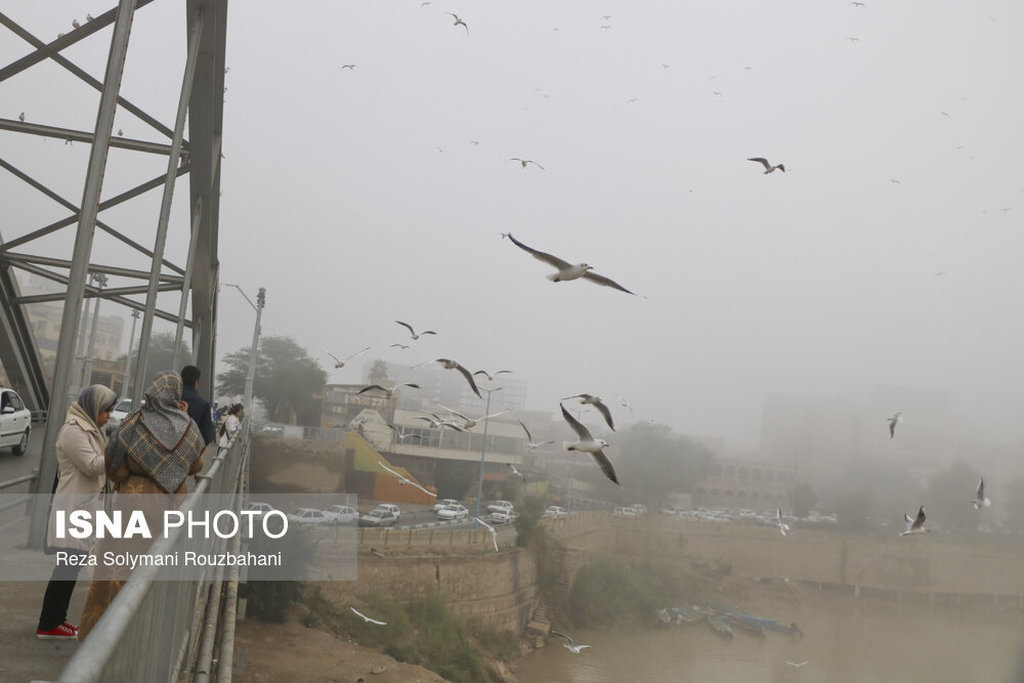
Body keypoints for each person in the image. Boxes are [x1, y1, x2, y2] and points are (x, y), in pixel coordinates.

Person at [77, 371, 205, 641]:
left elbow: (115, 468)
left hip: (132, 505)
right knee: (157, 574)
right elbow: (196, 466)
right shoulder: (188, 426)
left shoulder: (135, 422)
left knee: (117, 569)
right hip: (170, 506)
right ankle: (145, 638)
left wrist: (138, 472)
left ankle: (103, 637)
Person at [36, 384, 118, 640]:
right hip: (73, 508)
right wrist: (117, 452)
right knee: (66, 568)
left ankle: (57, 620)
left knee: (71, 567)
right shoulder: (73, 431)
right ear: (94, 407)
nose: (108, 416)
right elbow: (92, 465)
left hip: (83, 509)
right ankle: (48, 624)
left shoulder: (88, 429)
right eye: (106, 410)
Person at [180, 365, 215, 445]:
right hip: (188, 448)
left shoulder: (169, 397)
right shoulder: (203, 404)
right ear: (196, 382)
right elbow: (205, 438)